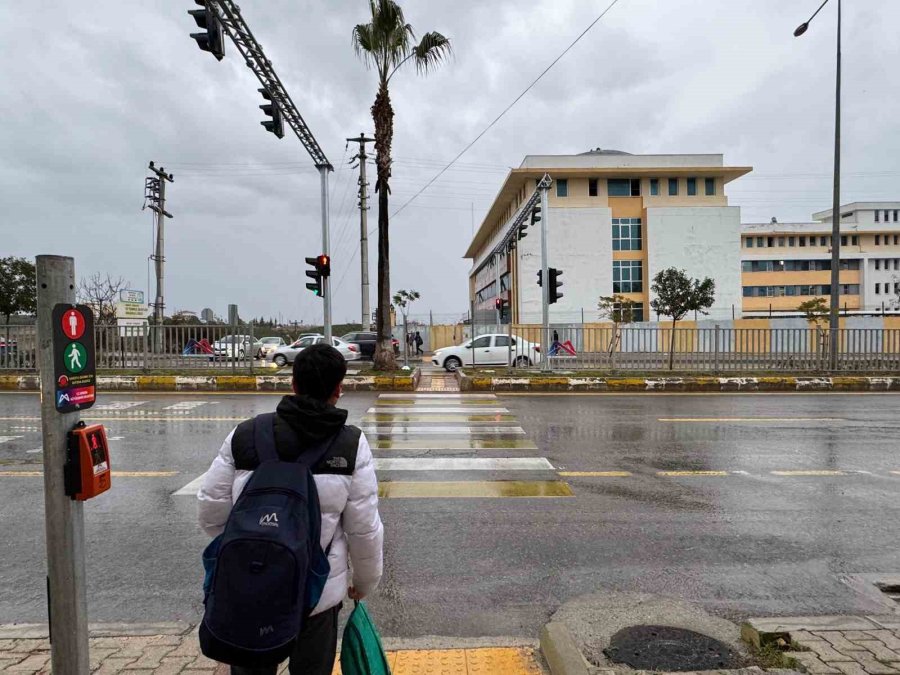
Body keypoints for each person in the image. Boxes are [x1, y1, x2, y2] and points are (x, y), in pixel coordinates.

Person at [198, 344, 384, 675]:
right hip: (318, 594)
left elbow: (211, 514)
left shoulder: (245, 435)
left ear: (293, 384)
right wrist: (364, 582)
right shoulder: (351, 445)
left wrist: (259, 549)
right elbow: (364, 530)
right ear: (338, 389)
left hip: (251, 589)